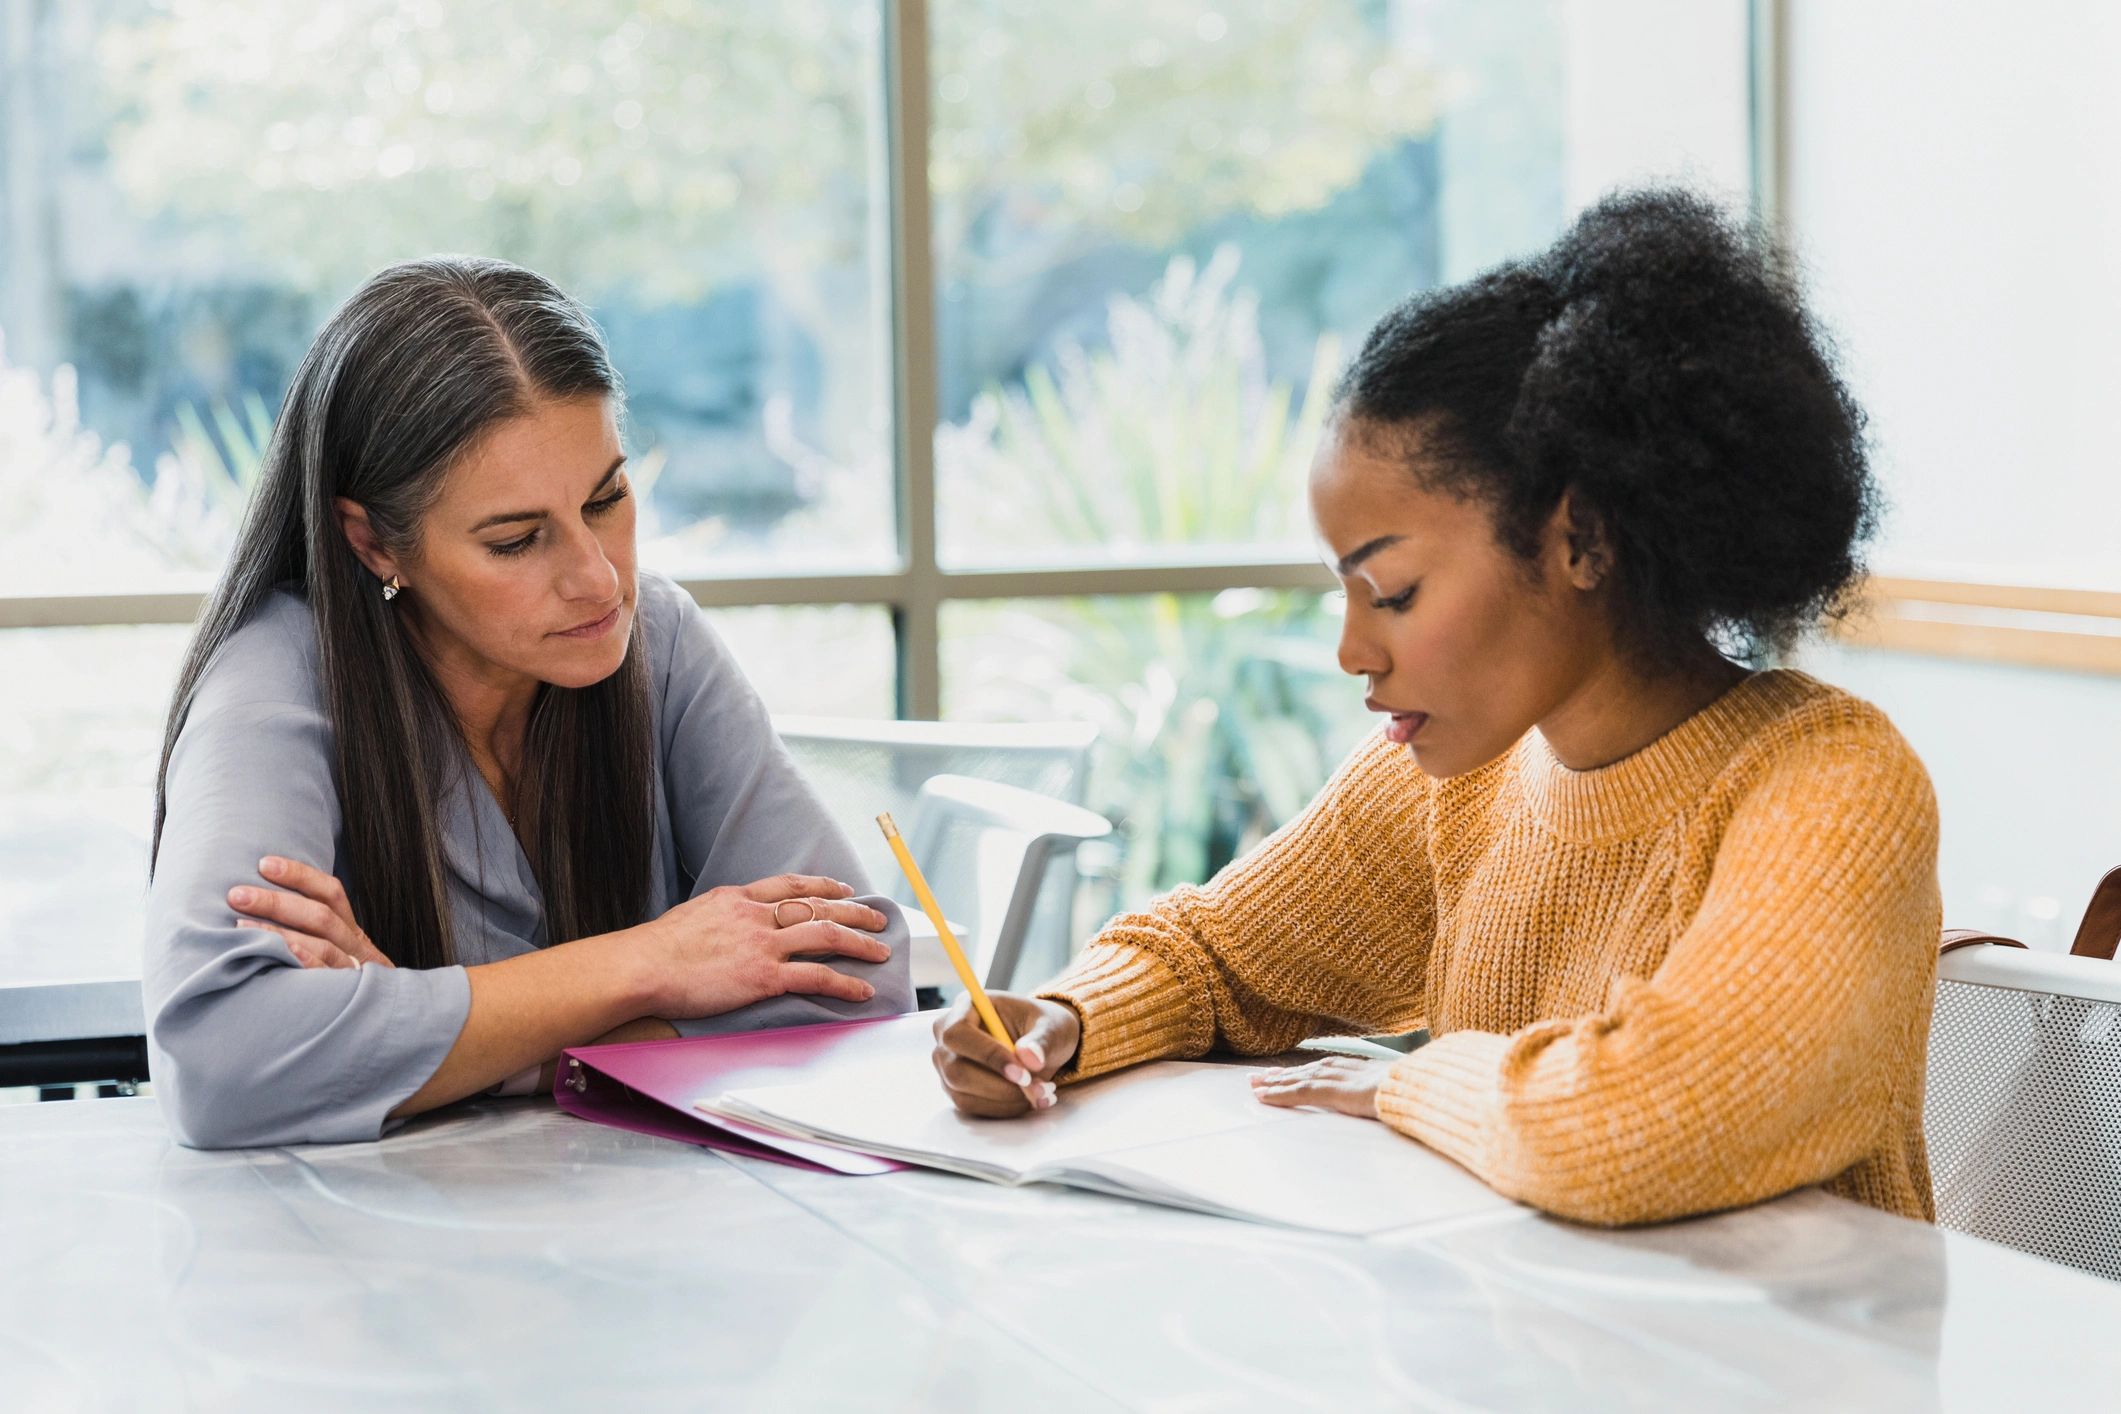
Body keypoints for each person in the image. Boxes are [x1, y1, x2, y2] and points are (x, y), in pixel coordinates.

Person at [932, 187, 1943, 1227]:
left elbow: (1636, 1125)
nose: (1350, 650)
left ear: (1582, 538)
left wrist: (1401, 1080)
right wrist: (1060, 1020)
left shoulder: (1834, 786)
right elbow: (1215, 959)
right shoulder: (1464, 779)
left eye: (1396, 593)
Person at [146, 257, 911, 1149]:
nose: (597, 578)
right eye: (515, 541)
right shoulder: (275, 678)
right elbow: (221, 1064)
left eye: (607, 498)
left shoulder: (655, 636)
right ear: (372, 543)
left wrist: (431, 1043)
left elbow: (857, 973)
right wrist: (651, 963)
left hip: (653, 1241)